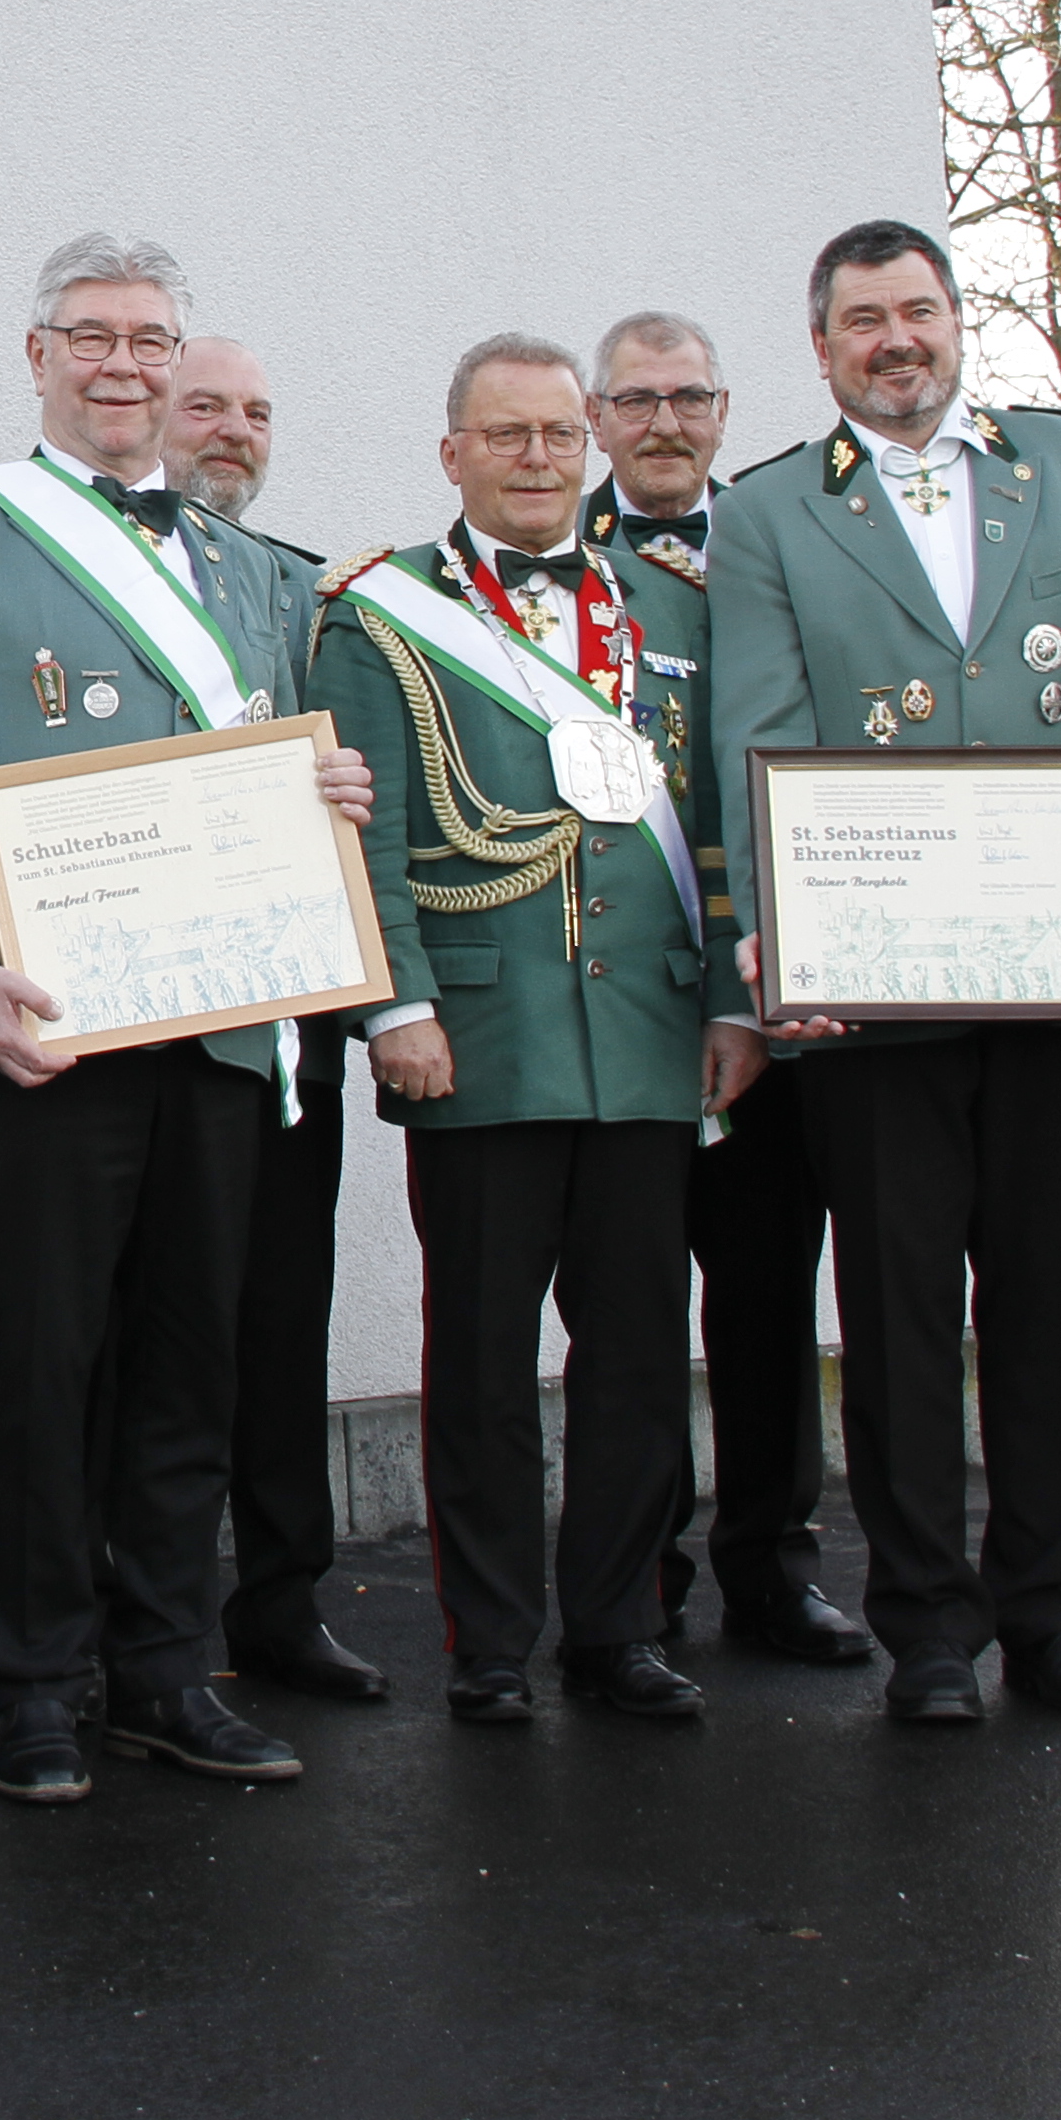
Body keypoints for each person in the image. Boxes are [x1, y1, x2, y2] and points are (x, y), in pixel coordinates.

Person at [0, 233, 375, 1803]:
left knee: (187, 1359)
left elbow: (280, 770)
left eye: (150, 340)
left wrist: (332, 792)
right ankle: (32, 1676)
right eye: (89, 336)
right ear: (37, 356)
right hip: (50, 1027)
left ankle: (163, 1665)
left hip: (223, 1024)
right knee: (41, 1359)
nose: (122, 365)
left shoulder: (246, 564)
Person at [703, 218, 1061, 1726]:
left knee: (1050, 1295)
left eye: (917, 311)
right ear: (823, 346)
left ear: (958, 321)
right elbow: (756, 732)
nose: (895, 340)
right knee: (898, 1318)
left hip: (1048, 960)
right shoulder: (772, 512)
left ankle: (1058, 1620)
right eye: (862, 320)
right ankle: (930, 1636)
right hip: (875, 974)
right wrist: (775, 924)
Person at [310, 335, 757, 1723]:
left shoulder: (674, 611)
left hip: (644, 1041)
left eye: (560, 435)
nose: (537, 460)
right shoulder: (382, 615)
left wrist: (737, 998)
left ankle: (619, 1629)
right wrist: (397, 1004)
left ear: (593, 447)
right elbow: (363, 830)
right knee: (484, 1366)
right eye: (505, 437)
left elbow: (722, 821)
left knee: (636, 1358)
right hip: (483, 1043)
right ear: (453, 452)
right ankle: (492, 1643)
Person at [590, 307, 875, 1669]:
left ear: (724, 410)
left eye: (690, 398)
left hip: (784, 995)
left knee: (768, 1305)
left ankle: (774, 1567)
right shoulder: (542, 571)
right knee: (631, 1315)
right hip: (634, 1004)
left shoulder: (788, 545)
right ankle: (636, 1575)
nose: (664, 422)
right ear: (597, 418)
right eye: (636, 399)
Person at [167, 336, 395, 1706]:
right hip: (145, 1008)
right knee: (154, 1322)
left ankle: (282, 1600)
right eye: (211, 406)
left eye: (259, 410)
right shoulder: (66, 576)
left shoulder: (314, 594)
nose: (236, 431)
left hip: (287, 1010)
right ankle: (144, 1603)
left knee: (278, 1309)